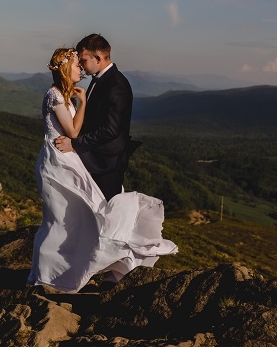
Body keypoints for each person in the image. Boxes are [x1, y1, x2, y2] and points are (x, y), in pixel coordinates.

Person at [26, 46, 177, 292]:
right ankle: (48, 276)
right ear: (65, 68)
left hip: (68, 160)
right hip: (57, 163)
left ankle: (67, 274)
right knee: (59, 220)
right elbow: (73, 132)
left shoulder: (66, 95)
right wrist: (83, 102)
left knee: (78, 218)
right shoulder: (54, 95)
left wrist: (79, 103)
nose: (81, 70)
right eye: (77, 65)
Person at [54, 33, 135, 201]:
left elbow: (110, 130)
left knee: (105, 211)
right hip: (94, 158)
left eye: (83, 60)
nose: (81, 66)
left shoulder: (116, 85)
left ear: (97, 58)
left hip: (106, 163)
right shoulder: (101, 79)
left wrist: (75, 144)